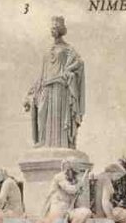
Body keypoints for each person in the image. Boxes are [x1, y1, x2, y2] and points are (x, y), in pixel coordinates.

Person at [24, 16, 85, 149]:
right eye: (52, 27)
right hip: (45, 86)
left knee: (58, 118)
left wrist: (68, 70)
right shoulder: (47, 50)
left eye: (56, 27)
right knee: (41, 113)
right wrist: (30, 93)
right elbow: (42, 74)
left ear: (61, 29)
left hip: (60, 87)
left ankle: (61, 144)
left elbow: (80, 62)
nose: (53, 30)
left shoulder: (68, 49)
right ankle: (43, 141)